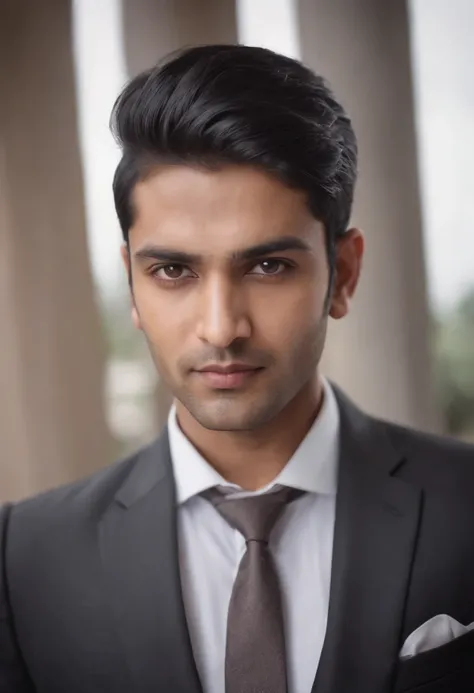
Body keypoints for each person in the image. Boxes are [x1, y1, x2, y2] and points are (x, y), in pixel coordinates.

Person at [1, 44, 473, 693]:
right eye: (172, 270)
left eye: (268, 265)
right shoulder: (25, 556)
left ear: (345, 274)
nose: (221, 326)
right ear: (133, 287)